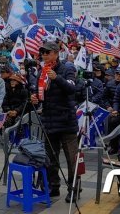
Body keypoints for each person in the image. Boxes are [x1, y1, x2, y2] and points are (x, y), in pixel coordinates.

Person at [30, 41, 79, 202]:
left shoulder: (67, 68)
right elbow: (39, 92)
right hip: (49, 121)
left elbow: (72, 89)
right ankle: (53, 187)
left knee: (72, 158)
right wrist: (34, 98)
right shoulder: (41, 71)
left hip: (66, 121)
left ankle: (74, 188)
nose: (44, 55)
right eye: (42, 52)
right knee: (50, 158)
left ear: (56, 53)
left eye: (47, 52)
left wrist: (57, 78)